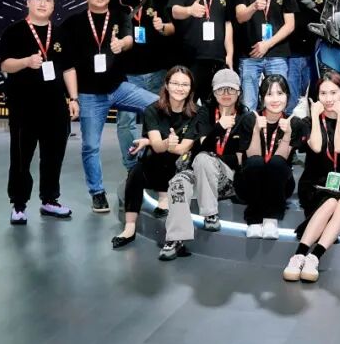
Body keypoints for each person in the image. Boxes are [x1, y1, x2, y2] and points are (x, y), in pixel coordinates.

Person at [63, 0, 159, 214]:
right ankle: (97, 193)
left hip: (119, 88)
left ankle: (152, 165)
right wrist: (73, 97)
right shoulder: (73, 23)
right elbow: (67, 64)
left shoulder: (119, 14)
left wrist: (121, 45)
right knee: (90, 146)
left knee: (160, 105)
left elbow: (128, 38)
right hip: (89, 96)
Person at [0, 0, 78, 225]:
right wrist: (25, 62)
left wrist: (74, 98)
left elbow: (68, 68)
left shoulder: (61, 33)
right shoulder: (14, 31)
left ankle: (50, 200)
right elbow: (5, 65)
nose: (43, 4)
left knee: (53, 156)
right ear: (28, 2)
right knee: (21, 157)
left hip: (55, 106)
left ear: (53, 6)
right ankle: (18, 204)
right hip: (23, 106)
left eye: (48, 0)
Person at [283, 72, 340, 283]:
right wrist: (316, 117)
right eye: (323, 93)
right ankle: (298, 255)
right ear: (317, 96)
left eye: (333, 93)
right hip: (315, 183)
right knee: (330, 203)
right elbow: (317, 147)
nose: (328, 98)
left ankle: (314, 258)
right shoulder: (307, 122)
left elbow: (339, 146)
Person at [161, 68, 247, 260]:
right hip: (199, 171)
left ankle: (210, 213)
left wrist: (216, 153)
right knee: (178, 182)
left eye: (231, 89)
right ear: (213, 92)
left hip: (226, 179)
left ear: (239, 92)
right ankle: (175, 239)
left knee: (203, 158)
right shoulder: (204, 112)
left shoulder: (245, 116)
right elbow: (203, 145)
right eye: (220, 89)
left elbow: (239, 160)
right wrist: (219, 127)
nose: (226, 94)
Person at [113, 66, 197, 249]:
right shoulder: (153, 110)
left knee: (170, 157)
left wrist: (156, 143)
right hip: (157, 161)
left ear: (191, 88)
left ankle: (165, 198)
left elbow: (184, 148)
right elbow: (158, 146)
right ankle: (129, 227)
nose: (180, 88)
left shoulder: (196, 113)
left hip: (181, 166)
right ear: (166, 85)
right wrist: (164, 143)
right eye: (175, 83)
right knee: (136, 171)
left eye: (185, 84)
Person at [111, 0, 175, 173]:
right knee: (125, 123)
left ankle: (156, 163)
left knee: (160, 119)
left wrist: (162, 26)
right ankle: (132, 168)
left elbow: (172, 29)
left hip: (158, 71)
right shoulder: (113, 3)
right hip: (126, 74)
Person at [233, 74, 296, 239]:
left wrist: (288, 133)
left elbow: (282, 159)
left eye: (280, 93)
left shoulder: (293, 122)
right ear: (262, 98)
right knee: (256, 162)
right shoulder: (249, 118)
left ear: (287, 96)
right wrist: (256, 130)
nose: (275, 99)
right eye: (269, 94)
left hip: (280, 184)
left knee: (276, 163)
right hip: (250, 181)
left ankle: (271, 219)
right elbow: (252, 156)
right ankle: (254, 219)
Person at [234, 0, 297, 110]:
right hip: (250, 54)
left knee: (279, 103)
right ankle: (251, 128)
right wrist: (254, 6)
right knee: (248, 104)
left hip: (277, 54)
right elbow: (240, 16)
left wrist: (267, 44)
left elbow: (290, 25)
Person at [169, 0, 234, 103]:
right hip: (191, 59)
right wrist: (189, 10)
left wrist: (229, 55)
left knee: (215, 106)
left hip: (217, 59)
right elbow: (175, 11)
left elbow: (227, 24)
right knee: (186, 105)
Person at [281, 0, 331, 115]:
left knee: (315, 98)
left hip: (317, 52)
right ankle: (290, 127)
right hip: (292, 52)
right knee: (291, 99)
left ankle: (314, 127)